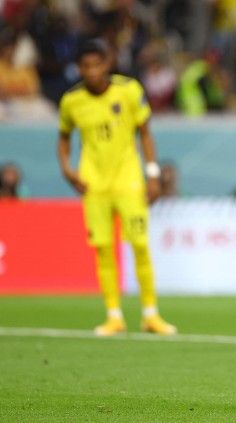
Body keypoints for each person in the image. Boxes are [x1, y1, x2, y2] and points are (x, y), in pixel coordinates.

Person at [56, 40, 176, 336]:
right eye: (86, 66)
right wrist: (68, 170)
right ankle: (113, 315)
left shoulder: (129, 89)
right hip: (94, 184)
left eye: (97, 64)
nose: (92, 71)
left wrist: (152, 174)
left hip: (129, 180)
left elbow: (145, 133)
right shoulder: (71, 101)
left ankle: (150, 314)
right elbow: (63, 137)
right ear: (79, 68)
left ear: (107, 63)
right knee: (103, 249)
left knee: (139, 244)